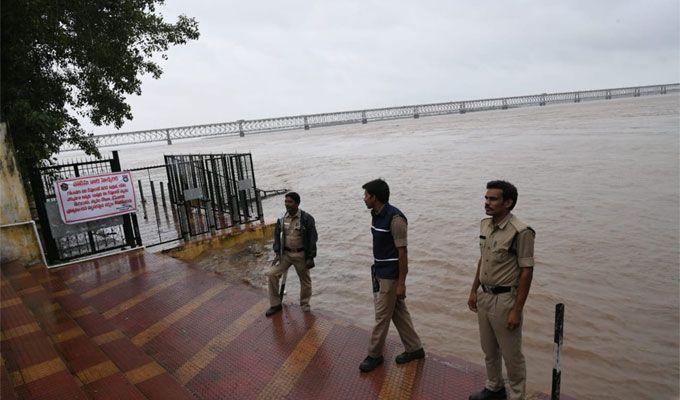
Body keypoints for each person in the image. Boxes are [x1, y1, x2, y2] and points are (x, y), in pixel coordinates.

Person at [468, 180, 535, 400]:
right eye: (486, 198)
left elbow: (526, 272)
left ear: (508, 202)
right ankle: (494, 388)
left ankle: (517, 396)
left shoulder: (521, 232)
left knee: (512, 355)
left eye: (493, 199)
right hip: (484, 296)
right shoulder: (485, 225)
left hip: (506, 300)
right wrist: (473, 290)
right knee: (489, 350)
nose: (487, 203)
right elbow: (483, 259)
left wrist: (517, 309)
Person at [359, 178, 424, 373]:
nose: (364, 198)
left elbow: (403, 253)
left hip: (390, 276)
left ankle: (374, 355)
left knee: (382, 317)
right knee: (398, 312)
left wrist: (401, 284)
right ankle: (415, 349)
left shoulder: (395, 219)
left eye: (366, 195)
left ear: (375, 197)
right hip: (379, 271)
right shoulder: (376, 214)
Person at [265, 192, 318, 317]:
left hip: (301, 255)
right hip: (286, 255)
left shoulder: (306, 218)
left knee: (305, 281)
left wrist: (311, 257)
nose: (287, 204)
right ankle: (275, 304)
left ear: (297, 204)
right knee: (272, 274)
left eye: (290, 202)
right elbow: (277, 236)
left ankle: (305, 305)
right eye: (286, 202)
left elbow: (313, 239)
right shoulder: (282, 219)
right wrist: (277, 253)